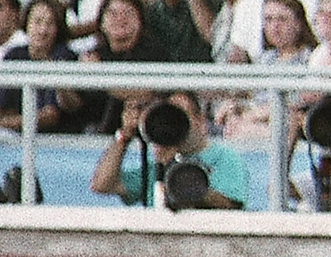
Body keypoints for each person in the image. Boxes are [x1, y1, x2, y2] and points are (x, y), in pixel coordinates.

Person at [93, 89, 252, 209]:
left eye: (181, 116)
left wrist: (175, 166)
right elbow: (102, 185)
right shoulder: (155, 164)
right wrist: (125, 136)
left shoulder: (225, 157)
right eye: (169, 116)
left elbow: (230, 206)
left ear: (200, 122)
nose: (174, 124)